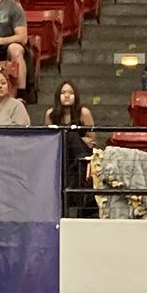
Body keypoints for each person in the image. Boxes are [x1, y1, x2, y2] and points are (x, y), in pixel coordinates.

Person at [45, 79, 97, 214]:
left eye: (70, 93)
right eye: (63, 93)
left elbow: (92, 141)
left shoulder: (84, 113)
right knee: (66, 136)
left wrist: (79, 139)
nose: (67, 95)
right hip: (61, 154)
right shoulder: (51, 114)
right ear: (58, 96)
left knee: (71, 135)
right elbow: (48, 140)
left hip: (81, 157)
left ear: (76, 96)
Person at [0, 0, 26, 96]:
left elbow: (22, 37)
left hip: (7, 47)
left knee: (15, 49)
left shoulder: (13, 6)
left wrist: (1, 40)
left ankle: (21, 94)